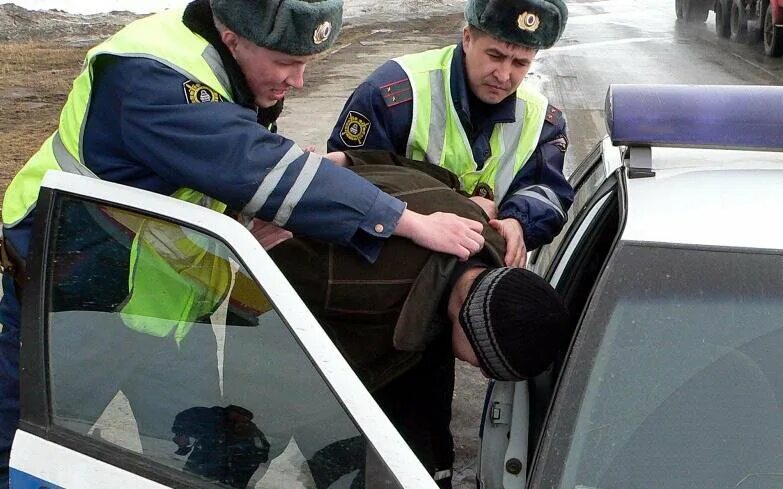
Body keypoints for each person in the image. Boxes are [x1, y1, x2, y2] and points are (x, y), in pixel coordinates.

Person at [0, 0, 485, 484]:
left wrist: (239, 221)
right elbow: (253, 164)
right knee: (24, 445)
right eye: (286, 63)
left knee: (216, 451)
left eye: (305, 64)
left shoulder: (228, 66)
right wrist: (402, 219)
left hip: (163, 310)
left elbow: (196, 175)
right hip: (69, 300)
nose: (298, 81)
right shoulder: (150, 73)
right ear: (233, 37)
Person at [225, 151, 571, 488]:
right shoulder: (349, 280)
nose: (479, 372)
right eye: (483, 362)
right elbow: (258, 315)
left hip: (392, 356)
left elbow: (429, 174)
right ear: (470, 323)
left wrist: (348, 160)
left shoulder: (478, 228)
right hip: (319, 381)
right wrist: (252, 415)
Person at [328, 0, 574, 268]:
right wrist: (462, 209)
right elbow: (347, 191)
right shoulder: (392, 95)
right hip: (391, 272)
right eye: (495, 56)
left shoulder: (542, 121)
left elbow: (549, 192)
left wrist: (517, 221)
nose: (504, 75)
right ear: (467, 39)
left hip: (481, 276)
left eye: (520, 63)